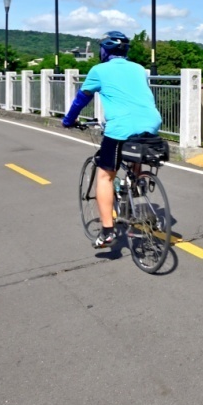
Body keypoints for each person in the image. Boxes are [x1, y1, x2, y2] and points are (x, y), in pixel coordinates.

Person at [61, 30, 163, 249]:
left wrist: (68, 120)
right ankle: (136, 181)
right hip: (152, 123)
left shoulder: (98, 70)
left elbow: (81, 99)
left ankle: (107, 231)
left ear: (104, 50)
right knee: (135, 146)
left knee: (105, 175)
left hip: (121, 127)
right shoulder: (138, 69)